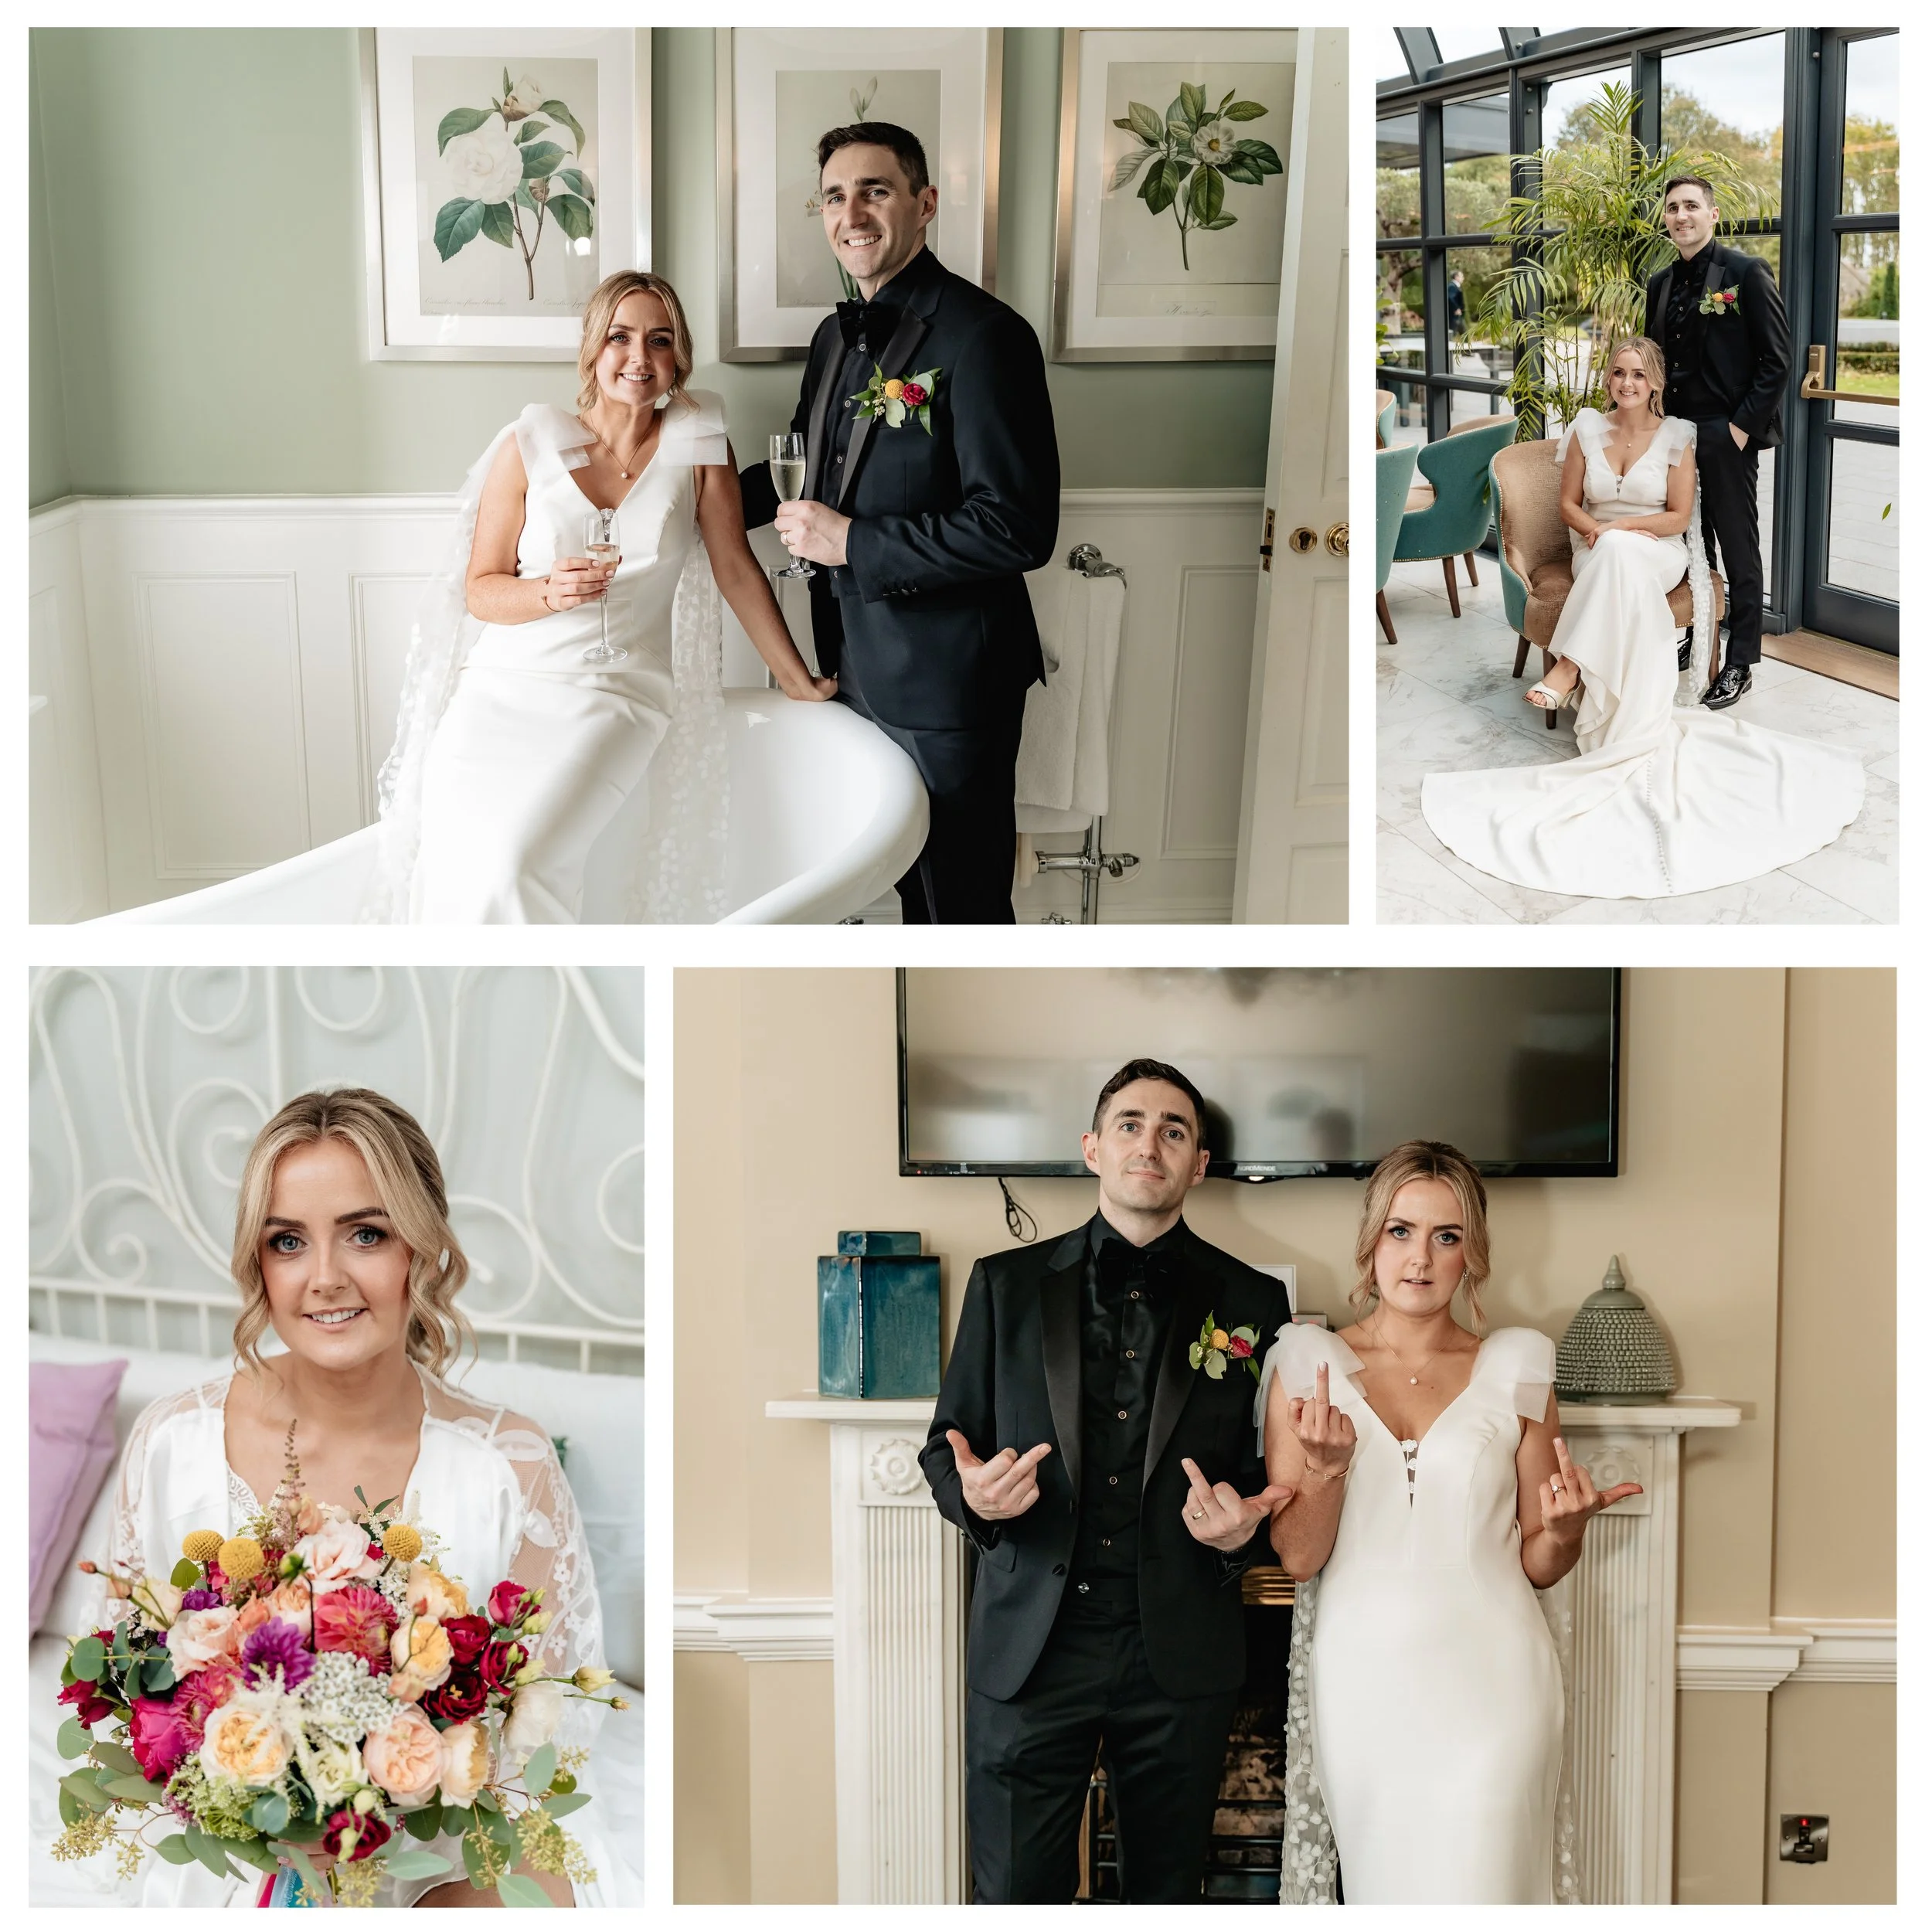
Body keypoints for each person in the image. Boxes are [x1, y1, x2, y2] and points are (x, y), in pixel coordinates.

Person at [102, 1089, 620, 1906]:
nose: (325, 1278)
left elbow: (547, 1746)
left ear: (421, 1245)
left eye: (366, 1233)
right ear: (258, 1263)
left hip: (442, 1855)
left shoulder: (507, 1466)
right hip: (231, 1857)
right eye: (287, 1241)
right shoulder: (172, 1443)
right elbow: (136, 1702)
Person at [920, 1060, 1290, 1901]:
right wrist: (975, 1501)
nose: (1148, 1143)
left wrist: (1244, 1529)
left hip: (1179, 1655)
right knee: (1013, 1894)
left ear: (1198, 1164)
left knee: (1165, 1895)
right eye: (1129, 1123)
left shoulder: (1254, 1301)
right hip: (1030, 1653)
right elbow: (944, 1452)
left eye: (1173, 1129)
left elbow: (1274, 1480)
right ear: (1092, 1147)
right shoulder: (1002, 1286)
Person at [369, 272, 834, 923]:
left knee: (514, 861)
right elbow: (481, 591)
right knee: (454, 855)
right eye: (620, 337)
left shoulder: (699, 445)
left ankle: (548, 1010)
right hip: (500, 691)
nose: (639, 358)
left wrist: (796, 680)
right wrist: (548, 593)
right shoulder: (527, 445)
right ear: (593, 350)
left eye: (659, 340)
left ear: (679, 359)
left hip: (616, 694)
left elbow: (735, 568)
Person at [1257, 1141, 1637, 1905]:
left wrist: (1565, 1530)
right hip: (1364, 1688)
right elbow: (1298, 1557)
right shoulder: (1308, 1364)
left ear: (1473, 1253)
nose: (1419, 1258)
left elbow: (1538, 1557)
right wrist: (1326, 1472)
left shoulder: (1517, 1364)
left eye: (1446, 1236)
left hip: (1496, 1690)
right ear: (1370, 1242)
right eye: (1400, 1231)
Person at [740, 121, 1060, 923]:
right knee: (887, 886)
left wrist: (852, 542)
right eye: (835, 197)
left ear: (925, 203)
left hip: (952, 686)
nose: (853, 212)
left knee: (959, 904)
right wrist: (675, 500)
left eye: (875, 191)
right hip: (848, 666)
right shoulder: (831, 337)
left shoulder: (987, 336)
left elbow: (1019, 526)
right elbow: (802, 470)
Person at [1418, 336, 1863, 898]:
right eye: (1617, 374)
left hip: (1654, 549)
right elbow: (1568, 505)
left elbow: (1677, 517)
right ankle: (1583, 668)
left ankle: (1571, 667)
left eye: (1637, 375)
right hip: (1594, 546)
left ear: (1655, 382)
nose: (1626, 383)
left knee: (1622, 553)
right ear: (1609, 380)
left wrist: (1621, 530)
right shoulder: (1585, 428)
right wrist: (1593, 531)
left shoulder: (1679, 436)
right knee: (1611, 556)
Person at [1644, 174, 1790, 710]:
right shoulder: (1658, 283)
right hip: (1673, 436)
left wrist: (1738, 429)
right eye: (1672, 208)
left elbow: (1777, 360)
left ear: (1713, 214)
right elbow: (1653, 363)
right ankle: (1694, 634)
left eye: (1690, 206)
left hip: (1725, 433)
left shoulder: (1745, 274)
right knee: (1686, 543)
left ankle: (1742, 659)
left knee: (1736, 544)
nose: (1681, 216)